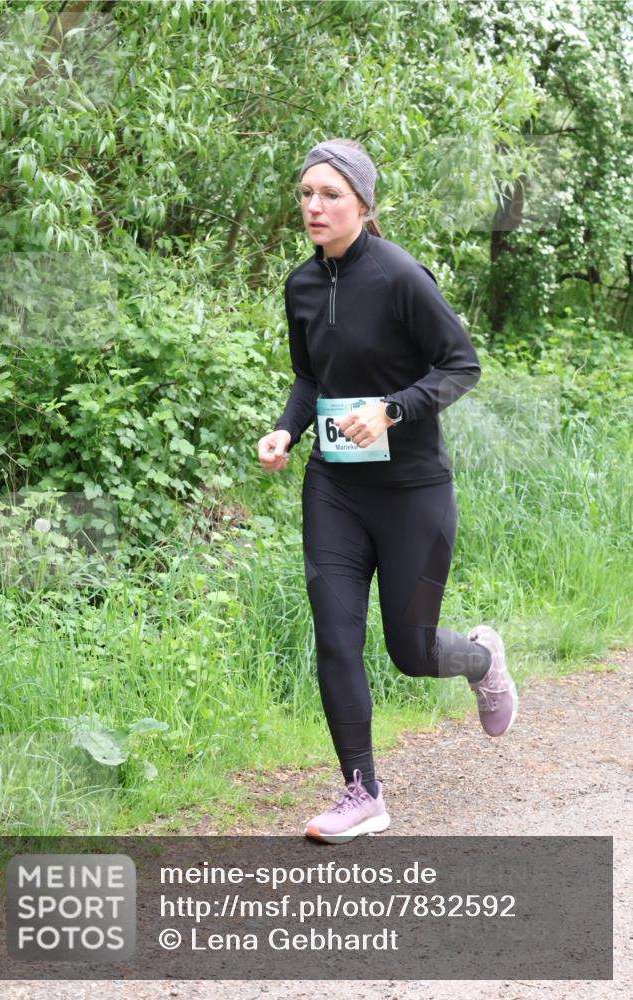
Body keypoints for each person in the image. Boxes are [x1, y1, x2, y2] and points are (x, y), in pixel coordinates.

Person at [257, 137, 518, 845]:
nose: (313, 206)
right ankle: (361, 792)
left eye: (329, 194)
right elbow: (309, 377)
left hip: (410, 491)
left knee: (409, 649)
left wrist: (394, 407)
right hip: (333, 489)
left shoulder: (401, 276)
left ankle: (481, 659)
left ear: (363, 205)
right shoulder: (301, 285)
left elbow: (460, 365)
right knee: (335, 638)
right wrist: (285, 430)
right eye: (306, 193)